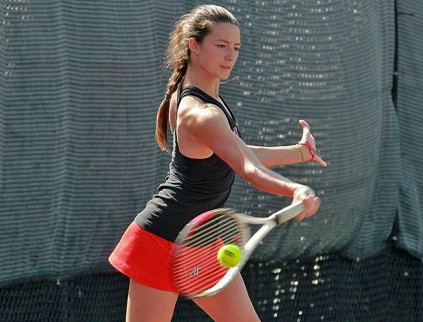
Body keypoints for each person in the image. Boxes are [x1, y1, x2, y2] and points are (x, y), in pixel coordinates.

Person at [109, 4, 327, 321]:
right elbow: (247, 167)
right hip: (162, 238)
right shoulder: (200, 113)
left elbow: (234, 152)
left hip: (203, 239)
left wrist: (300, 151)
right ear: (194, 46)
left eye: (236, 47)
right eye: (221, 45)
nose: (231, 55)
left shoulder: (205, 101)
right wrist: (294, 189)